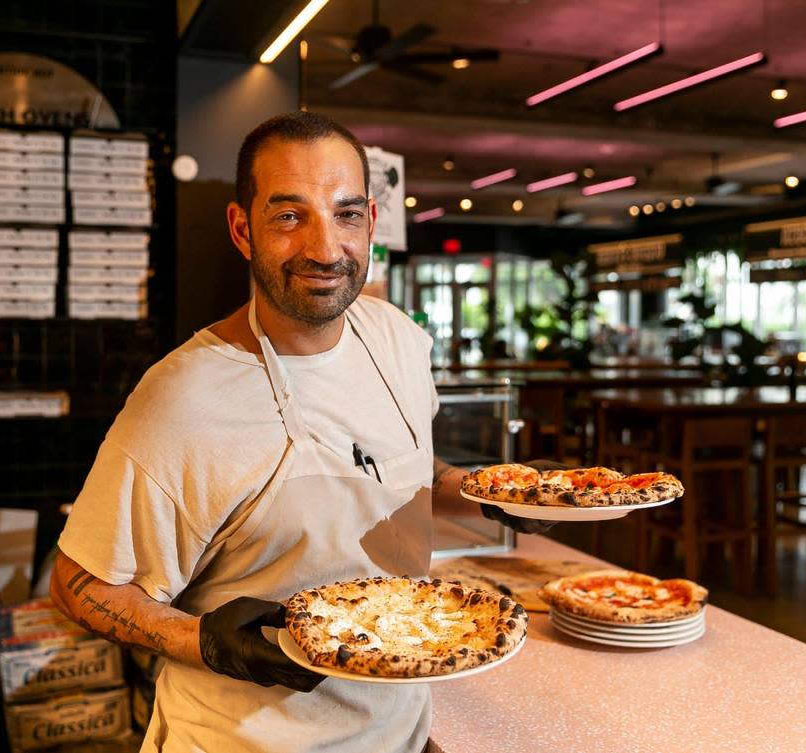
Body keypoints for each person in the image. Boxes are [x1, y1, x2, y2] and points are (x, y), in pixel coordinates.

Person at [50, 111, 553, 753]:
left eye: (345, 215)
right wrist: (199, 640)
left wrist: (498, 492)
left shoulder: (396, 338)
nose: (323, 249)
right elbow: (78, 582)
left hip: (398, 731)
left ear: (370, 221)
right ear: (243, 229)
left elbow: (402, 474)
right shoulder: (183, 397)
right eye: (289, 216)